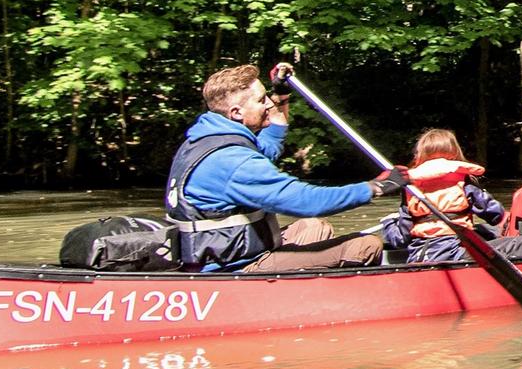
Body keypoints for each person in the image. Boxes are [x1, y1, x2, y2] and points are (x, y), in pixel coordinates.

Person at [165, 63, 399, 272]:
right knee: (366, 245)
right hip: (231, 267)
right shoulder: (232, 161)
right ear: (236, 113)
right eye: (261, 100)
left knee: (314, 227)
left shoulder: (207, 137)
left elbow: (270, 145)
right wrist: (375, 188)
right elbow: (307, 201)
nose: (268, 103)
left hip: (232, 252)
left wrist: (281, 96)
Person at [380, 128, 506, 264]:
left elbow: (401, 239)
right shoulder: (463, 179)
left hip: (421, 253)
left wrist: (388, 223)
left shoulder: (411, 187)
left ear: (420, 153)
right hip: (456, 249)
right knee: (490, 231)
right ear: (454, 151)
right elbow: (495, 215)